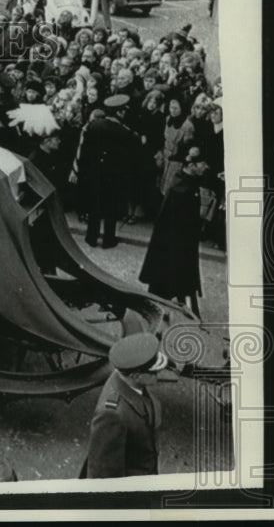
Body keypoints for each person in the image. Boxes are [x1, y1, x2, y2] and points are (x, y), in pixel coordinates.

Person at [82, 333, 169, 479]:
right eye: (154, 373)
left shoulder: (127, 379)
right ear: (135, 376)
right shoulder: (112, 415)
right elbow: (103, 473)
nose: (158, 375)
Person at [139, 147, 208, 319]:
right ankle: (160, 308)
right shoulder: (181, 189)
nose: (205, 167)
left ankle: (167, 304)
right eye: (202, 164)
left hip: (178, 242)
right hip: (174, 243)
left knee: (169, 276)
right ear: (191, 165)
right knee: (168, 276)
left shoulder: (186, 182)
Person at [72, 94, 140, 248]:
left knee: (94, 207)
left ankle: (91, 237)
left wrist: (82, 172)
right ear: (120, 112)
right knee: (111, 209)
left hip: (94, 173)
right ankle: (109, 240)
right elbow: (131, 158)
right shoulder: (125, 132)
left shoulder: (92, 126)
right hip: (114, 177)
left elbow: (83, 151)